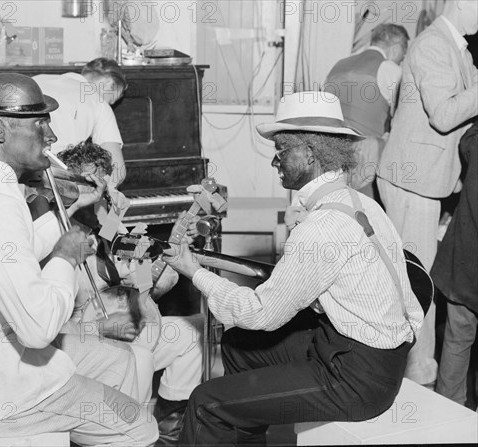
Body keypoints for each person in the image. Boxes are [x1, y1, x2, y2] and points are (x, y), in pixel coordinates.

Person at [162, 91, 424, 445]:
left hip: (356, 379)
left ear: (310, 153)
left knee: (206, 402)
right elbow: (302, 280)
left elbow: (260, 313)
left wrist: (195, 272)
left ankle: (224, 418)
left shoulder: (320, 228)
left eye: (281, 151)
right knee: (240, 345)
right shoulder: (360, 203)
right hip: (374, 355)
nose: (276, 162)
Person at [0, 73, 158, 446]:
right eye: (39, 122)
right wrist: (64, 255)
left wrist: (72, 207)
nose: (52, 136)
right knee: (140, 426)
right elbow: (39, 328)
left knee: (118, 361)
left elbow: (10, 249)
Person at [47, 141, 204, 444]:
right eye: (94, 188)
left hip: (125, 331)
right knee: (140, 357)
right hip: (78, 349)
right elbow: (41, 327)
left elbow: (144, 288)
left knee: (193, 331)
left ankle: (169, 424)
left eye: (107, 188)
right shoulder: (53, 238)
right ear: (70, 189)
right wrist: (96, 328)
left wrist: (170, 249)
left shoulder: (109, 229)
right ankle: (125, 434)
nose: (106, 198)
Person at [376, 0, 478, 388]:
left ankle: (410, 377)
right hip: (412, 182)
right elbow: (444, 113)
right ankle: (415, 380)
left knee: (416, 283)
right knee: (417, 288)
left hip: (425, 182)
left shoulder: (457, 48)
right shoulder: (433, 45)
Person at [324, 23, 409, 200]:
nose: (403, 59)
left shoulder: (339, 64)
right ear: (396, 47)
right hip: (368, 154)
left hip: (332, 150)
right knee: (367, 212)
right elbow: (402, 119)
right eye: (403, 52)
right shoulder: (390, 69)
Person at [432, 120, 478, 409]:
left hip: (465, 264)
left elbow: (466, 141)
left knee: (457, 341)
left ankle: (447, 414)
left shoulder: (475, 140)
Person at [33, 57, 128, 186]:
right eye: (111, 99)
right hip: (51, 174)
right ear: (108, 83)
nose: (110, 105)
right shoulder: (99, 103)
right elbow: (118, 170)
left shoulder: (36, 79)